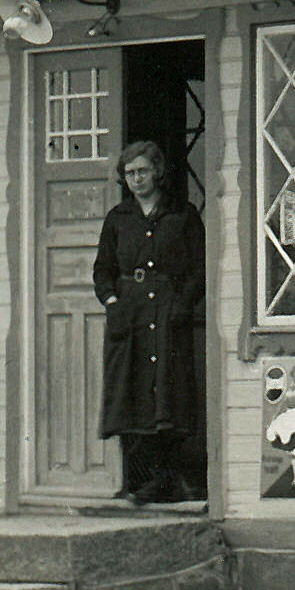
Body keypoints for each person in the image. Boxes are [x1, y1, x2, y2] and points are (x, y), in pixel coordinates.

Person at [94, 138, 205, 505]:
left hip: (169, 313)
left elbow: (198, 269)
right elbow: (103, 271)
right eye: (130, 173)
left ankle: (168, 482)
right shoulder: (118, 219)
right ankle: (137, 483)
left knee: (167, 395)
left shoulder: (182, 214)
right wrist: (113, 303)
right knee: (130, 393)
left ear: (157, 172)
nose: (137, 179)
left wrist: (183, 305)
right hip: (131, 316)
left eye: (143, 171)